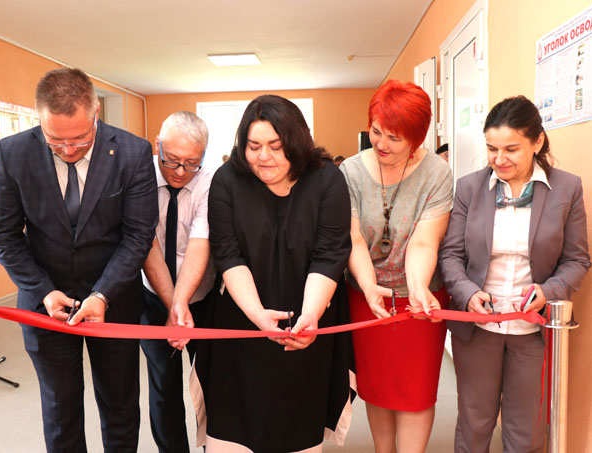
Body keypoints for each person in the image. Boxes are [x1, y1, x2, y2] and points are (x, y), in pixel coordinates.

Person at [0, 68, 157, 453]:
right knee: (60, 411)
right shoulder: (14, 154)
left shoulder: (132, 153)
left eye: (79, 139)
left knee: (120, 405)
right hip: (45, 303)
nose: (67, 149)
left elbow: (138, 236)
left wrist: (102, 294)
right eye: (55, 140)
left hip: (115, 301)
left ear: (96, 112)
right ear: (39, 119)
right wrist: (43, 291)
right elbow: (4, 235)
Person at [192, 94, 354, 452]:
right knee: (234, 429)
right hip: (240, 321)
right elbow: (228, 255)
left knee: (296, 429)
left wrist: (310, 316)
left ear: (296, 143)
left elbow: (329, 255)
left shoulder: (327, 180)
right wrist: (256, 315)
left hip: (306, 322)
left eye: (276, 147)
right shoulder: (227, 181)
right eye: (253, 146)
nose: (263, 156)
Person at [439, 95, 591, 452]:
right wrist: (467, 293)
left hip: (534, 330)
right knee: (474, 424)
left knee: (526, 432)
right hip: (478, 328)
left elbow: (577, 260)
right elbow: (451, 255)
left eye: (511, 149)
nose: (499, 159)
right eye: (492, 149)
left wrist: (549, 291)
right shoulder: (469, 187)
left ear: (537, 142)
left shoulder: (566, 188)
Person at [339, 79, 453, 452]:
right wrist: (368, 284)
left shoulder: (437, 173)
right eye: (376, 132)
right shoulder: (351, 172)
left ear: (417, 139)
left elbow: (424, 240)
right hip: (366, 294)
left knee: (416, 392)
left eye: (394, 138)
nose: (381, 144)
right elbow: (354, 238)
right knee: (377, 387)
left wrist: (417, 288)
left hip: (421, 297)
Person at [140, 111, 215, 453]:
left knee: (211, 384)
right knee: (163, 386)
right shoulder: (139, 177)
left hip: (204, 297)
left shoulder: (211, 182)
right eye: (171, 160)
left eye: (191, 163)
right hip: (152, 296)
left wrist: (182, 304)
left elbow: (200, 242)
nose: (181, 172)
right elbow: (146, 243)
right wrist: (173, 307)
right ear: (157, 146)